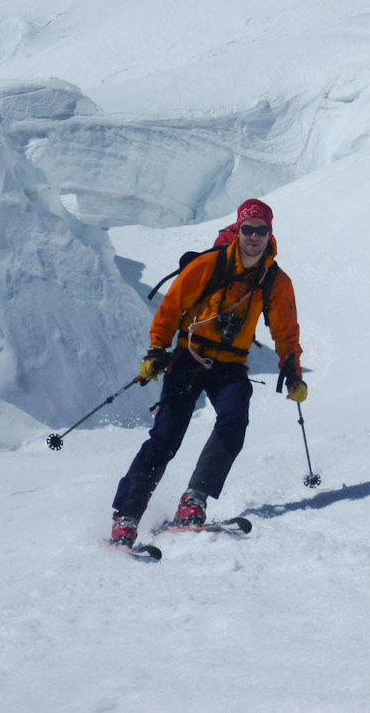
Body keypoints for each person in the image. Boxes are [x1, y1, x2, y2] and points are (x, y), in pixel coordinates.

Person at [110, 198, 307, 545]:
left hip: (230, 366)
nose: (254, 236)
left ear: (269, 232)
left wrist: (292, 370)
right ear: (239, 230)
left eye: (261, 230)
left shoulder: (274, 280)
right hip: (189, 357)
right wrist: (157, 349)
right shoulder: (209, 265)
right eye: (248, 229)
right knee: (166, 438)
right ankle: (126, 516)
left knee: (234, 418)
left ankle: (194, 499)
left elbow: (285, 329)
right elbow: (171, 308)